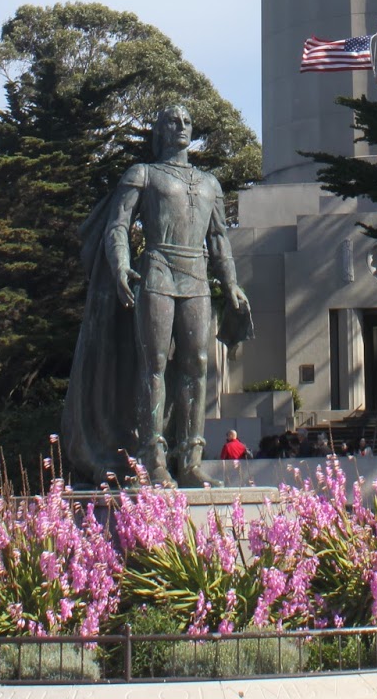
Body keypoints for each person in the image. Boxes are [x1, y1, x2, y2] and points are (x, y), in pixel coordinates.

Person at [61, 104, 252, 488]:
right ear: (159, 131)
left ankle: (191, 459)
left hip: (196, 278)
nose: (180, 126)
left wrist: (230, 282)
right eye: (172, 121)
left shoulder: (209, 183)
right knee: (155, 364)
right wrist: (119, 265)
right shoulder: (143, 174)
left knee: (197, 364)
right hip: (158, 273)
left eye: (186, 121)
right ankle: (154, 458)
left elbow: (218, 239)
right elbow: (117, 226)